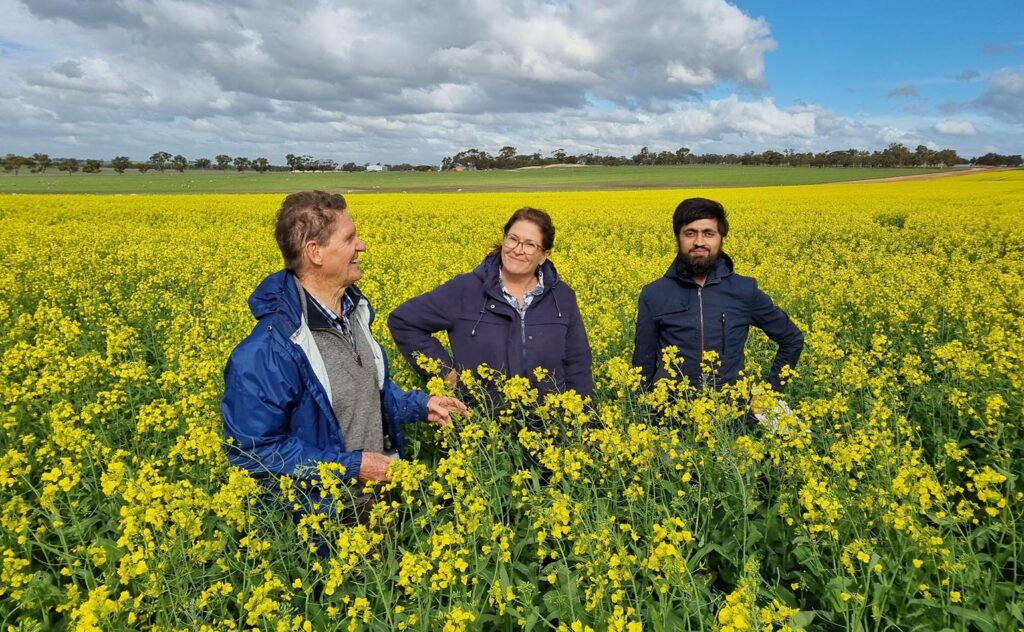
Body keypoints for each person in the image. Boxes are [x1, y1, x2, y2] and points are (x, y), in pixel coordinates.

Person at [222, 191, 466, 485]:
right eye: (350, 238)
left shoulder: (354, 313)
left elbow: (364, 393)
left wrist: (421, 405)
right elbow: (255, 453)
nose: (361, 245)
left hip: (375, 501)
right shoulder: (269, 350)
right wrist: (352, 467)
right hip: (319, 517)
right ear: (315, 252)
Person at [388, 207, 594, 402]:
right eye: (513, 239)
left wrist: (580, 424)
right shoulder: (465, 289)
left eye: (530, 245)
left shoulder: (562, 297)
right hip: (482, 425)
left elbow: (578, 362)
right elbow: (403, 321)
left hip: (550, 428)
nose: (518, 250)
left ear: (544, 255)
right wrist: (446, 374)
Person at [633, 197, 803, 394]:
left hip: (731, 418)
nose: (699, 242)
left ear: (721, 238)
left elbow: (792, 339)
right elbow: (642, 365)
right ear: (678, 238)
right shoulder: (654, 294)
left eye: (708, 233)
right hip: (671, 417)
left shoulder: (744, 290)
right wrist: (644, 413)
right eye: (690, 233)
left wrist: (771, 393)